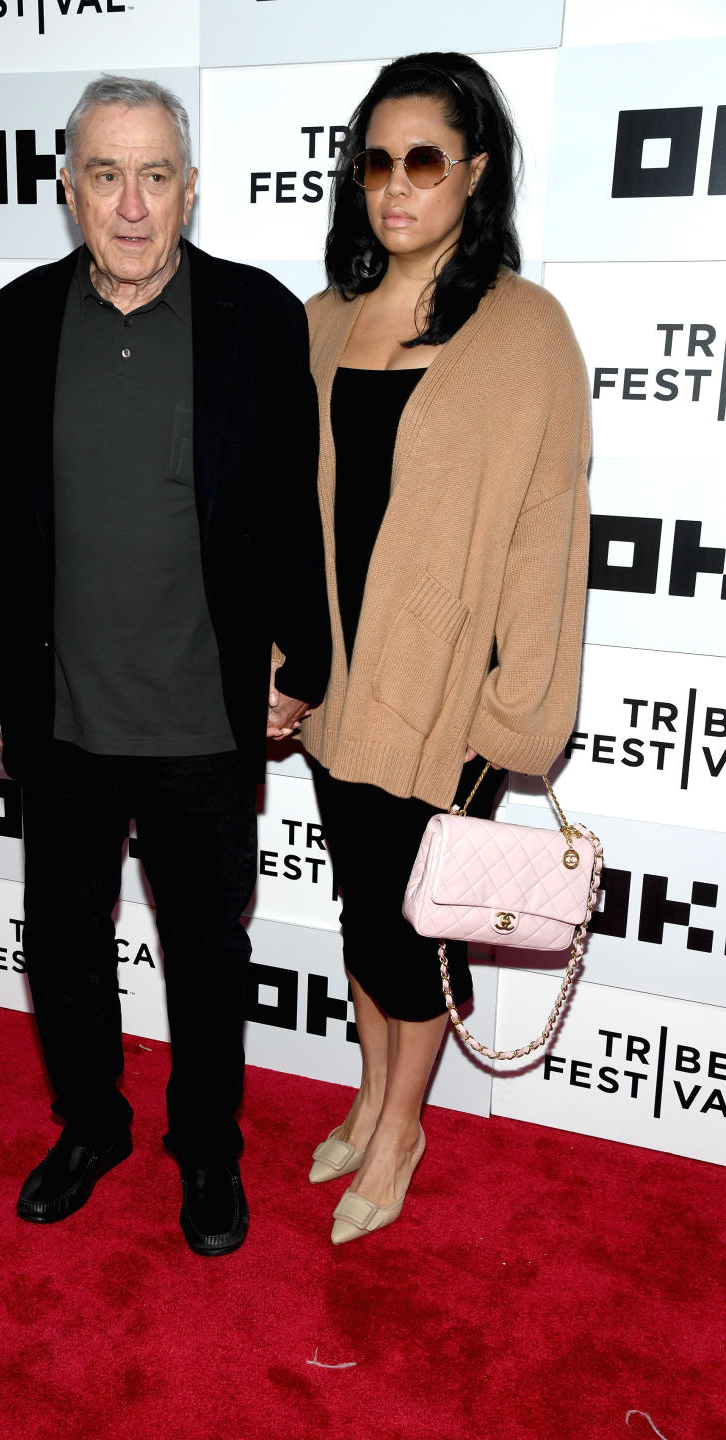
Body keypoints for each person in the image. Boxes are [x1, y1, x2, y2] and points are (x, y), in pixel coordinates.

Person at [0, 76, 330, 1257]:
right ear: (66, 188)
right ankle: (92, 1126)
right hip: (59, 709)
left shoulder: (259, 320)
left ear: (191, 187)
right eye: (104, 173)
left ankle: (205, 1150)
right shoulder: (11, 324)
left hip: (206, 714)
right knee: (64, 937)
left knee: (209, 952)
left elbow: (290, 509)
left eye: (155, 173)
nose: (130, 202)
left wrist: (300, 659)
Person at [300, 52, 590, 1244]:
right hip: (335, 689)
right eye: (376, 161)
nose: (396, 186)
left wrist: (517, 715)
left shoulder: (527, 334)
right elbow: (284, 516)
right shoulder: (319, 322)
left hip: (447, 700)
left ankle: (405, 1125)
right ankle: (374, 1096)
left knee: (410, 932)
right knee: (363, 916)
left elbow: (546, 534)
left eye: (424, 159)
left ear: (475, 172)